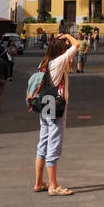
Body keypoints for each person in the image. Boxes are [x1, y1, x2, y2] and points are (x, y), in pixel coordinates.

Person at [31, 33, 79, 196]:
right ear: (60, 50)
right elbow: (77, 45)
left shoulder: (44, 62)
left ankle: (39, 182)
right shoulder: (58, 62)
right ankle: (53, 185)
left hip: (44, 101)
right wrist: (67, 35)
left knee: (43, 140)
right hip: (55, 103)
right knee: (54, 141)